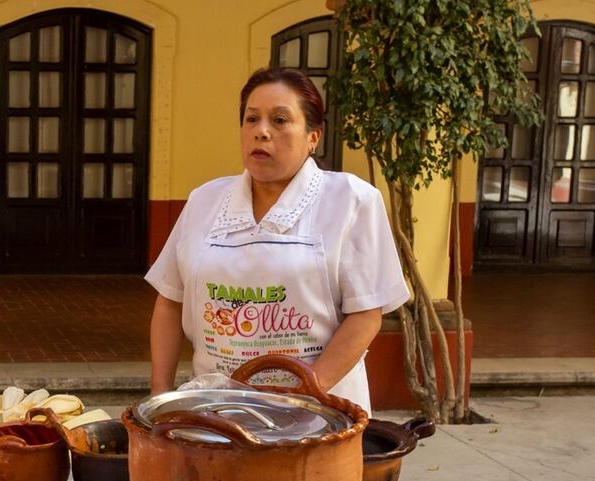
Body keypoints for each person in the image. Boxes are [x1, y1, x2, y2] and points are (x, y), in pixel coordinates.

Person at [145, 67, 409, 414]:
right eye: (251, 119)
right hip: (216, 412)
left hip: (319, 414)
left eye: (280, 120)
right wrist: (159, 396)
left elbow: (365, 315)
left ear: (313, 136)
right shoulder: (204, 201)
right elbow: (170, 301)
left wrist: (306, 393)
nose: (261, 132)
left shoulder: (352, 200)